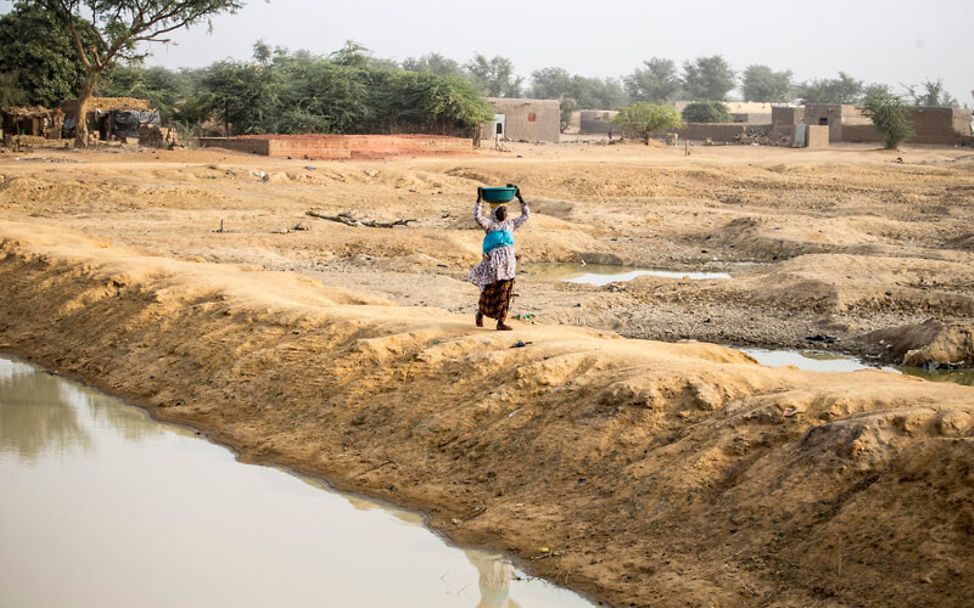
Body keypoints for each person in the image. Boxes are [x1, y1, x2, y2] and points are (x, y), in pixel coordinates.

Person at [467, 186, 530, 330]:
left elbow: (525, 216)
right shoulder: (489, 225)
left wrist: (520, 197)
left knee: (505, 292)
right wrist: (479, 199)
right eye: (502, 211)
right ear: (494, 213)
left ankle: (501, 322)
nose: (505, 213)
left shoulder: (510, 224)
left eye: (506, 210)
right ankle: (481, 312)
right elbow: (477, 216)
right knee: (490, 290)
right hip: (493, 264)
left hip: (509, 264)